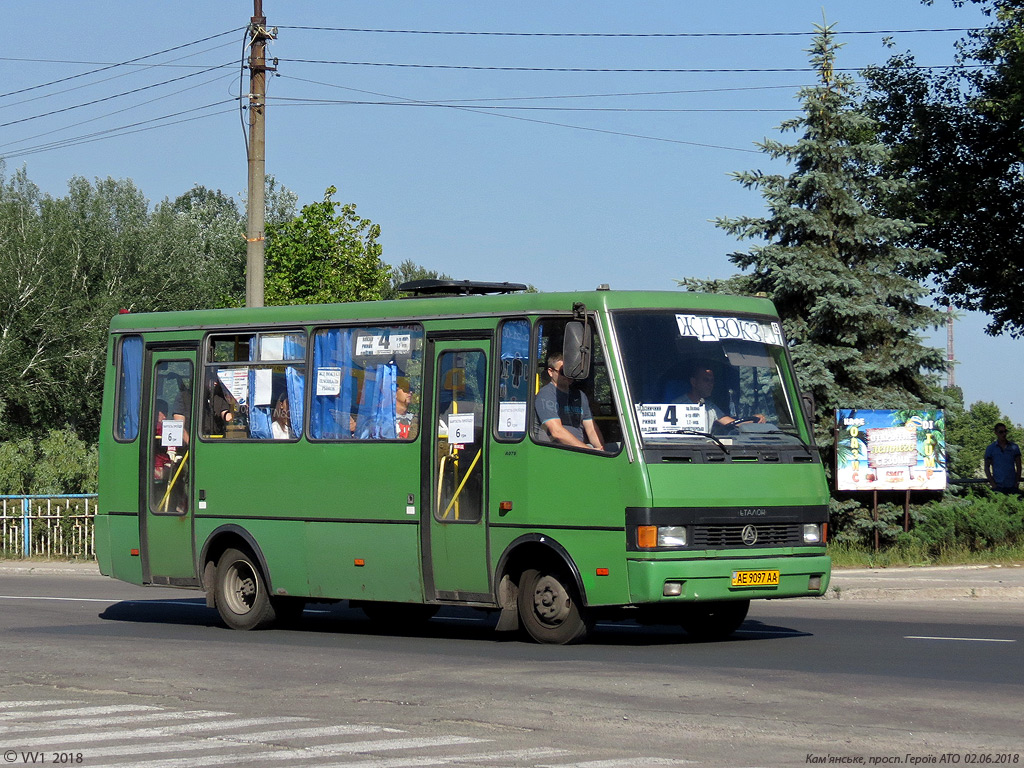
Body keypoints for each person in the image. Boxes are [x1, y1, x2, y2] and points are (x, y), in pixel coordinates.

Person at [535, 353, 604, 451]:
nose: (568, 376)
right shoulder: (546, 394)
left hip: (580, 452)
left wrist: (601, 450)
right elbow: (557, 432)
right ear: (551, 372)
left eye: (571, 371)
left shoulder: (580, 396)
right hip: (556, 452)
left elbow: (591, 429)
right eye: (563, 372)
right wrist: (588, 450)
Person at [679, 363, 765, 432]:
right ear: (694, 382)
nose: (710, 384)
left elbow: (733, 423)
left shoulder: (710, 407)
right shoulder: (677, 406)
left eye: (712, 381)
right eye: (706, 380)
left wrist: (754, 419)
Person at [984, 422, 1021, 493]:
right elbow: (986, 467)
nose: (1004, 434)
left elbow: (1019, 466)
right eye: (1001, 432)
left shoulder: (1014, 447)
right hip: (998, 487)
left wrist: (1017, 482)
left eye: (1005, 431)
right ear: (996, 433)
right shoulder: (990, 448)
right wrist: (993, 484)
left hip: (1012, 487)